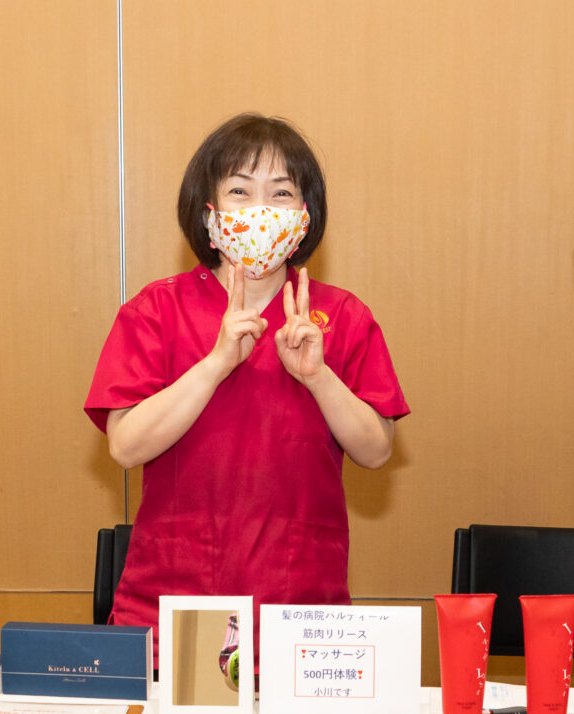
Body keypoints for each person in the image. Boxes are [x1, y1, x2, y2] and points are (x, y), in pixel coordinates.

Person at [85, 114, 409, 658]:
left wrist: (318, 377)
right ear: (208, 211)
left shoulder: (343, 316)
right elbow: (125, 445)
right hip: (177, 604)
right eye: (240, 190)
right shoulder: (156, 310)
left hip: (301, 610)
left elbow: (376, 450)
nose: (261, 209)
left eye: (281, 193)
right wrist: (214, 364)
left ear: (304, 216)